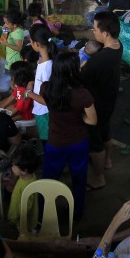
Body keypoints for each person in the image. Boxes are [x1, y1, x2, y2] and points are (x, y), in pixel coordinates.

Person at [39, 52, 96, 221]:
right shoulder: (82, 94)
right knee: (79, 180)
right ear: (72, 71)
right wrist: (79, 117)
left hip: (55, 142)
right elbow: (92, 121)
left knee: (48, 180)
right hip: (78, 142)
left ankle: (43, 216)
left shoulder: (46, 88)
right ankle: (76, 214)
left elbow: (49, 103)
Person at [82, 11, 123, 190]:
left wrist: (83, 64)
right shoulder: (118, 45)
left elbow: (80, 79)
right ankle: (107, 161)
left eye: (95, 29)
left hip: (96, 104)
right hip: (110, 98)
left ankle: (99, 178)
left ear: (105, 33)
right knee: (105, 130)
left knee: (94, 141)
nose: (93, 32)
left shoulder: (98, 60)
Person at [7, 144, 40, 227]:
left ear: (25, 170)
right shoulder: (28, 176)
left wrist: (15, 217)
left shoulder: (28, 187)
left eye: (14, 166)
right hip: (18, 211)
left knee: (23, 231)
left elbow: (25, 207)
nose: (12, 168)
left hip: (23, 220)